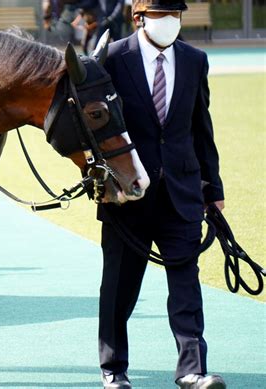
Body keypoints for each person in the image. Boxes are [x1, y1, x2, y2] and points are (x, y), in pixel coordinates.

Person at [96, 1, 226, 388]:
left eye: (175, 14)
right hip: (128, 195)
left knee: (186, 287)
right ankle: (113, 369)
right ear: (139, 17)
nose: (169, 21)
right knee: (119, 289)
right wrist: (102, 182)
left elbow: (201, 127)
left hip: (182, 193)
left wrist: (212, 189)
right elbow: (98, 129)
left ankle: (192, 371)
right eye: (160, 14)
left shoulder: (194, 60)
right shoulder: (113, 58)